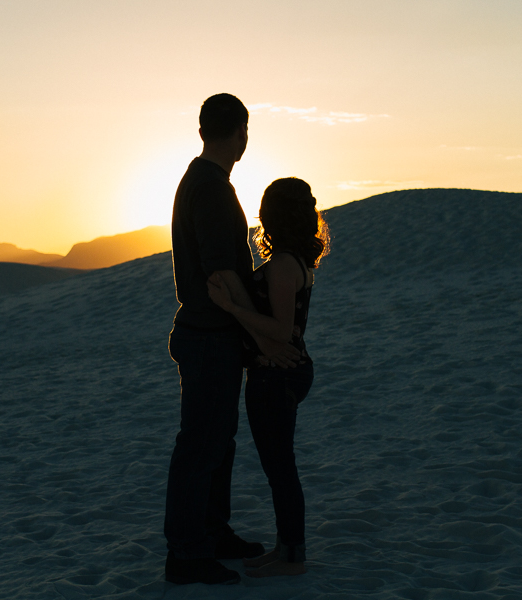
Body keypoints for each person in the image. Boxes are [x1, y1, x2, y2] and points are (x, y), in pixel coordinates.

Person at [164, 93, 300, 586]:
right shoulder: (213, 189)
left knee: (216, 441)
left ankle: (211, 533)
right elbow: (224, 274)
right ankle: (187, 552)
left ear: (204, 131)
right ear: (241, 133)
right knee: (203, 443)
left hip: (206, 334)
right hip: (209, 336)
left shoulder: (200, 179)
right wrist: (261, 334)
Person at [207, 177, 330, 578]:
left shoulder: (282, 265)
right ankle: (285, 548)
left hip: (276, 376)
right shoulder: (296, 262)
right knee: (280, 468)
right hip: (287, 372)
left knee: (281, 470)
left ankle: (292, 557)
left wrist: (231, 306)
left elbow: (279, 330)